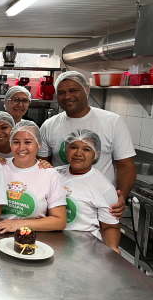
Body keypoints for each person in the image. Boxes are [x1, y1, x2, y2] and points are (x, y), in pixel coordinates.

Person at [37, 71, 136, 219]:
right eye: (61, 92)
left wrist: (121, 196)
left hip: (100, 205)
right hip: (60, 204)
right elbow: (42, 165)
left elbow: (126, 166)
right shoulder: (49, 125)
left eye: (73, 90)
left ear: (86, 90)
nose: (67, 96)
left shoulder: (112, 122)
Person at [0, 120, 67, 234]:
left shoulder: (50, 174)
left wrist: (19, 225)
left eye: (28, 142)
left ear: (39, 144)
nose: (21, 148)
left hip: (33, 240)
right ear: (10, 143)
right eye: (16, 142)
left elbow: (60, 221)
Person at [56, 129, 121, 253]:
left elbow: (110, 227)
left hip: (85, 250)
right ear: (66, 150)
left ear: (96, 154)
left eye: (86, 149)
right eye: (73, 147)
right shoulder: (53, 174)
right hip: (52, 243)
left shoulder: (104, 187)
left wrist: (112, 249)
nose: (78, 153)